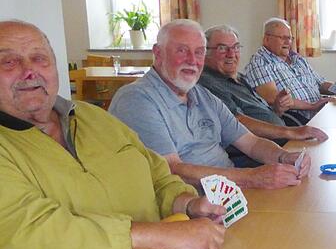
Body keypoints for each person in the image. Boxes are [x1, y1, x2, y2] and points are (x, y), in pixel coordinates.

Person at [0, 20, 226, 249]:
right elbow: (32, 231)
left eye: (40, 59)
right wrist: (159, 235)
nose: (30, 71)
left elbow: (156, 174)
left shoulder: (92, 117)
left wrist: (186, 203)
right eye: (9, 61)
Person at [109, 19, 311, 191]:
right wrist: (252, 177)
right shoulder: (136, 100)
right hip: (191, 207)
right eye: (182, 50)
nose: (192, 60)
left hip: (230, 193)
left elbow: (251, 143)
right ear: (158, 53)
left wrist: (285, 158)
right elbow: (172, 170)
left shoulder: (201, 95)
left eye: (198, 52)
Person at [199, 24, 328, 152]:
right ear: (205, 52)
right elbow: (235, 122)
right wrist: (290, 132)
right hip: (259, 152)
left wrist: (277, 109)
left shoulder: (239, 78)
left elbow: (257, 113)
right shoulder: (209, 83)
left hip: (281, 141)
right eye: (222, 48)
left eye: (236, 47)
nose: (231, 54)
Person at [243, 18, 336, 124]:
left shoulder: (297, 59)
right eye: (283, 38)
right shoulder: (260, 62)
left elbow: (321, 83)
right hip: (296, 119)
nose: (288, 42)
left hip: (320, 113)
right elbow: (273, 98)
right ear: (267, 39)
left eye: (290, 38)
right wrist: (312, 106)